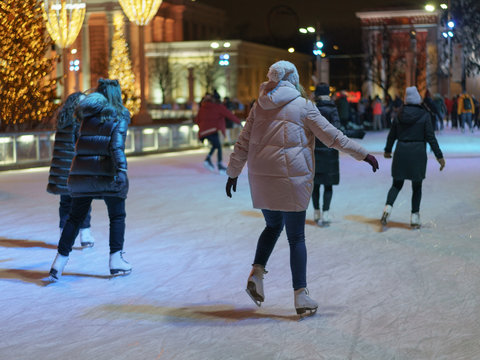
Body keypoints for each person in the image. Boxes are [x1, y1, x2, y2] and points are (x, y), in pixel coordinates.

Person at [224, 60, 379, 316]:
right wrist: (363, 154)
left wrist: (232, 173)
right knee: (296, 237)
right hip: (291, 179)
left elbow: (242, 141)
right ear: (293, 79)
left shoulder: (258, 106)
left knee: (273, 225)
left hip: (261, 178)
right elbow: (333, 137)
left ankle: (257, 273)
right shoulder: (304, 106)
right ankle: (301, 296)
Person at [49, 79, 131, 281]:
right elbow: (117, 147)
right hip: (108, 174)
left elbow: (78, 144)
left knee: (75, 217)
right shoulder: (119, 115)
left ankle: (58, 263)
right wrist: (121, 172)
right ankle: (115, 260)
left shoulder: (86, 115)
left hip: (82, 174)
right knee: (117, 216)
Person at [381, 86, 445, 228]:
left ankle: (387, 208)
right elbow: (430, 137)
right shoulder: (424, 115)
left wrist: (387, 150)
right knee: (417, 186)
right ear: (417, 99)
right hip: (417, 153)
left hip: (401, 152)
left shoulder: (399, 114)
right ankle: (415, 217)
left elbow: (392, 135)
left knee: (396, 184)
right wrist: (439, 156)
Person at [46, 92, 96, 248]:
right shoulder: (78, 122)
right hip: (77, 169)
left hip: (62, 172)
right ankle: (85, 233)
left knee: (66, 203)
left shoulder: (62, 121)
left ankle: (64, 233)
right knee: (83, 202)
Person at [311, 83, 341, 226]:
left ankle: (316, 212)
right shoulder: (333, 110)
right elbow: (336, 129)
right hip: (329, 151)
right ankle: (326, 213)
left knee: (315, 185)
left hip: (314, 151)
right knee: (328, 185)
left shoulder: (312, 109)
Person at [195, 93, 241, 174]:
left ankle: (208, 159)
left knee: (215, 145)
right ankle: (219, 166)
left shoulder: (202, 107)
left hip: (203, 132)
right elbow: (229, 115)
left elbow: (197, 119)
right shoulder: (218, 107)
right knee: (218, 146)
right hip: (212, 130)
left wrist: (202, 129)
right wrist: (238, 122)